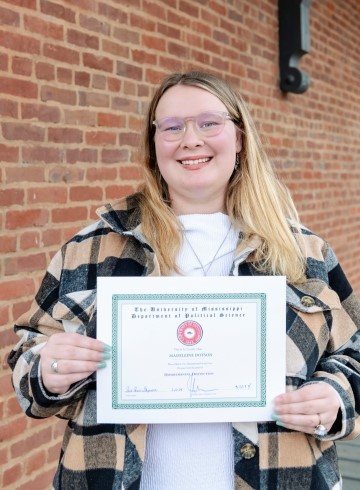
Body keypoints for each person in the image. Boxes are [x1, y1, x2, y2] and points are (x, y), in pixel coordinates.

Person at [8, 71, 360, 490]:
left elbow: (354, 352)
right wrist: (46, 368)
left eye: (209, 123)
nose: (190, 140)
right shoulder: (90, 250)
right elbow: (28, 353)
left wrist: (336, 397)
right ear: (154, 144)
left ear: (240, 136)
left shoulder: (305, 253)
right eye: (172, 127)